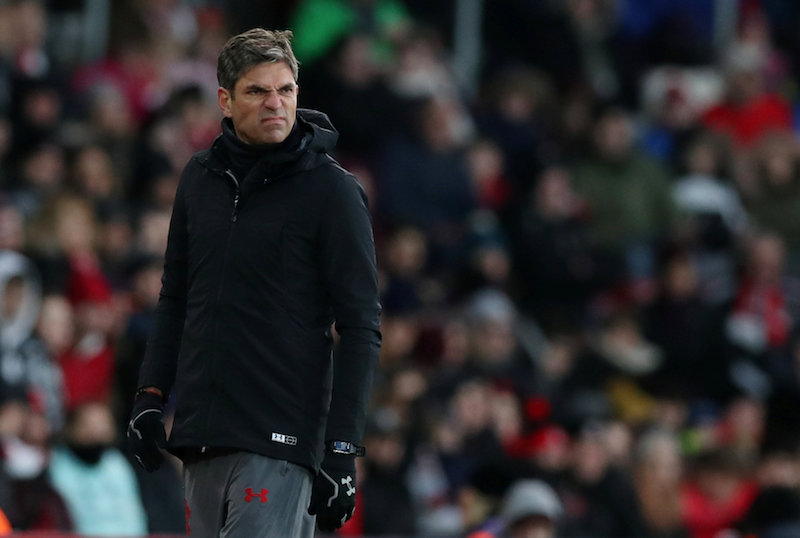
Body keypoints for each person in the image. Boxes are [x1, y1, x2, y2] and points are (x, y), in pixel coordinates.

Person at [126, 28, 382, 537]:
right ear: (225, 99)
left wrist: (342, 450)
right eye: (258, 91)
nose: (275, 103)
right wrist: (150, 395)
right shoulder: (199, 178)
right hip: (201, 435)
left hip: (281, 438)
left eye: (285, 90)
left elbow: (360, 326)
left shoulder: (332, 191)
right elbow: (176, 295)